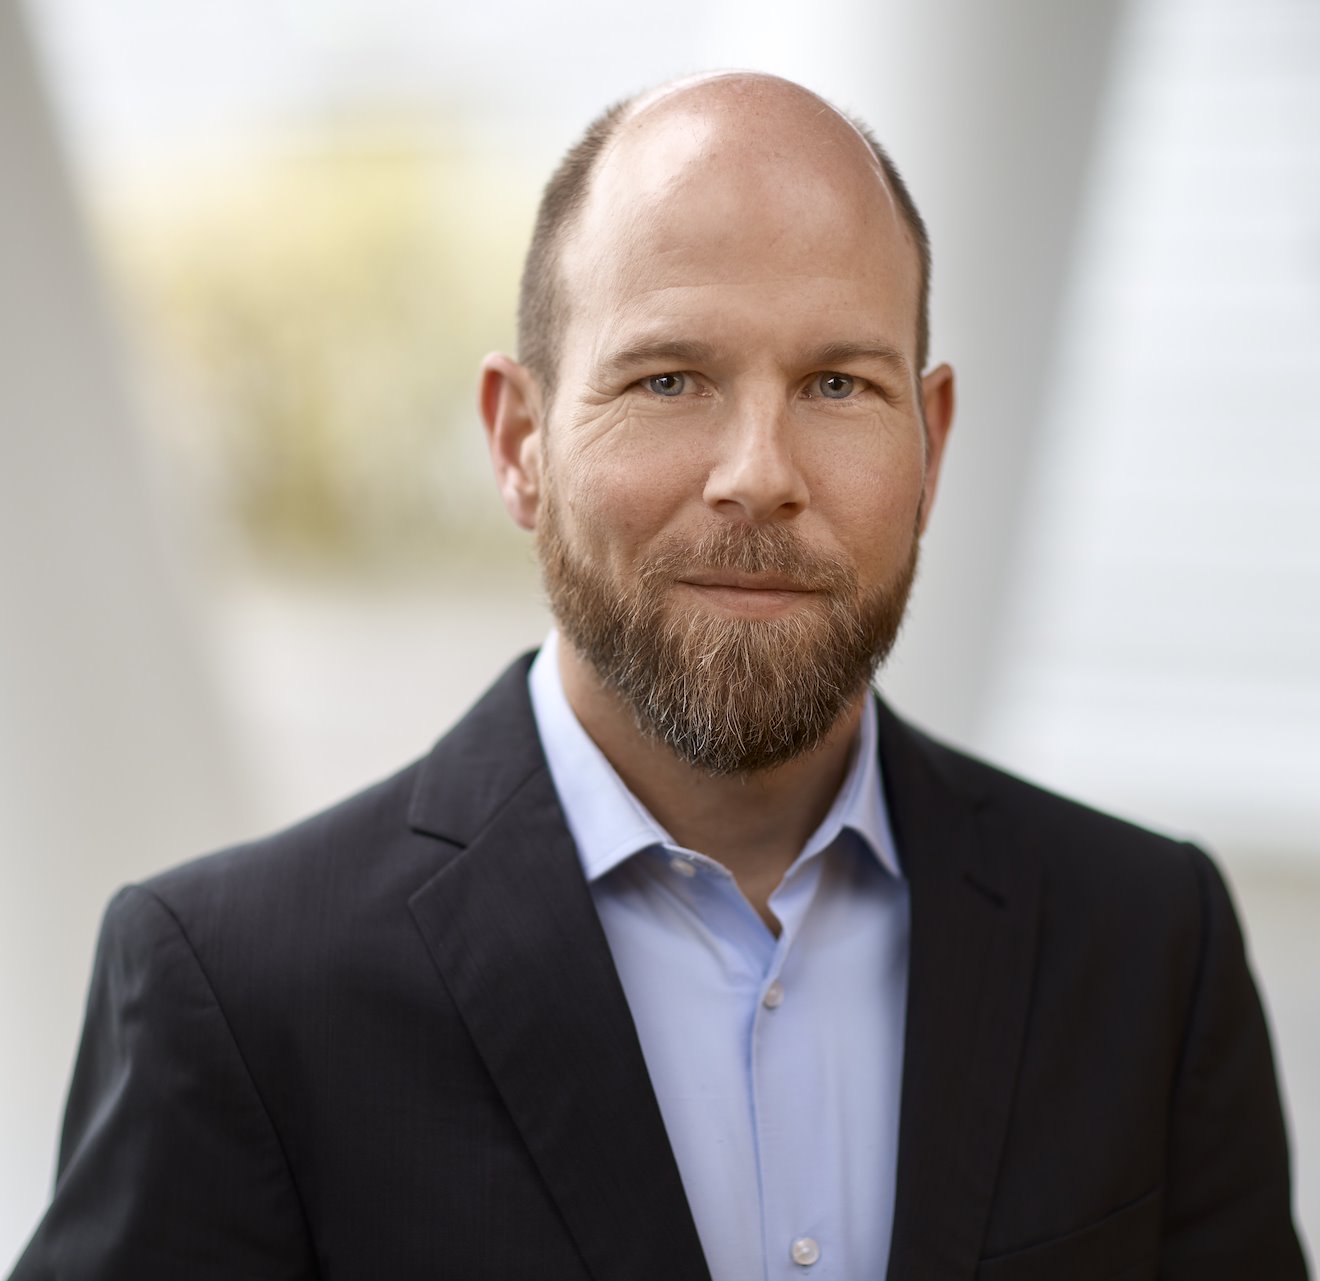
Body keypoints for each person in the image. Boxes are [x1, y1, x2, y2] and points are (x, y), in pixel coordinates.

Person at [9, 72, 1308, 1281]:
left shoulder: (1149, 947)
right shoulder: (240, 994)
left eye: (839, 384)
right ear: (520, 441)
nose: (760, 474)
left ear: (931, 444)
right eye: (671, 378)